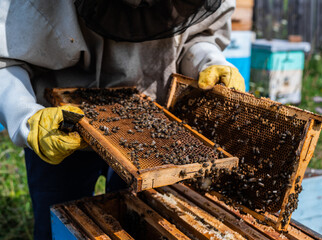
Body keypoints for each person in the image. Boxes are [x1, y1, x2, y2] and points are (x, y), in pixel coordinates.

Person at [0, 0, 245, 239]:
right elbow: (5, 58)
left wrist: (208, 61)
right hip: (59, 126)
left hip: (149, 132)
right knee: (57, 225)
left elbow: (197, 35)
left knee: (140, 220)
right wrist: (25, 116)